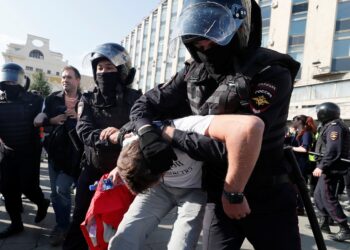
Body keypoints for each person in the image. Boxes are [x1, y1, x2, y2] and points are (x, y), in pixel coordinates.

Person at [127, 0, 301, 249]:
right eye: (198, 38)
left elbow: (232, 146)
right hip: (217, 195)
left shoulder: (271, 72)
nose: (205, 45)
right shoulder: (193, 71)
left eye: (214, 34)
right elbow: (144, 105)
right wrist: (146, 132)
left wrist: (166, 132)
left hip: (267, 194)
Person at [108, 114, 264, 249]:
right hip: (160, 191)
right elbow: (127, 156)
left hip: (194, 192)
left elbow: (249, 126)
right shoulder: (131, 139)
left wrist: (233, 192)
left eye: (153, 180)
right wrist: (119, 170)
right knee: (125, 237)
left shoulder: (187, 127)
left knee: (182, 244)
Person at [62, 43, 142, 250]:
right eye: (100, 68)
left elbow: (140, 124)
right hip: (91, 170)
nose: (104, 72)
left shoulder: (136, 99)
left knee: (120, 224)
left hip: (124, 174)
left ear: (122, 70)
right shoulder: (87, 99)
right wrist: (109, 137)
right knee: (81, 217)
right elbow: (84, 130)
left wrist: (121, 132)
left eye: (109, 67)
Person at [0, 63, 50, 238]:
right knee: (8, 189)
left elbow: (47, 111)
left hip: (29, 152)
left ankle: (42, 203)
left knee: (28, 187)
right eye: (7, 82)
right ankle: (16, 224)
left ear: (21, 81)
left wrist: (43, 115)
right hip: (8, 152)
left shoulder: (34, 100)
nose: (10, 86)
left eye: (13, 82)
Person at [34, 65, 82, 246]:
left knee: (63, 189)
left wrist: (78, 117)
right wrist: (51, 120)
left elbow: (93, 122)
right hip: (55, 153)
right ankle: (62, 225)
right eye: (63, 77)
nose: (65, 80)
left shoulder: (86, 100)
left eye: (69, 77)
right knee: (54, 193)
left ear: (77, 80)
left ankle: (67, 226)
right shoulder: (52, 99)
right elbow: (43, 120)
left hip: (75, 155)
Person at [313, 102, 350, 242]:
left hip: (331, 168)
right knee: (318, 195)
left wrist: (321, 166)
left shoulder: (335, 128)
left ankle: (344, 228)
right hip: (328, 167)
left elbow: (333, 150)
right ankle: (324, 223)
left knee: (328, 197)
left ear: (324, 113)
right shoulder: (329, 125)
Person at [292, 115, 317, 215]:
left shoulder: (306, 133)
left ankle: (300, 207)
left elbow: (304, 148)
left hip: (302, 162)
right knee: (296, 185)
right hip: (297, 161)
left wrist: (290, 148)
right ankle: (298, 206)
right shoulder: (299, 132)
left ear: (299, 121)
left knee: (299, 186)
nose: (292, 122)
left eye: (294, 120)